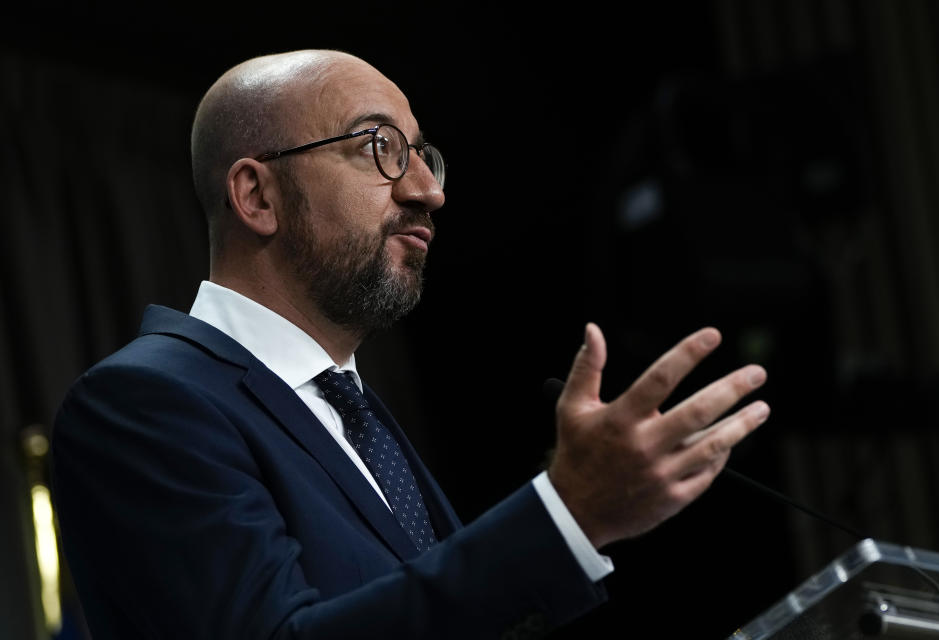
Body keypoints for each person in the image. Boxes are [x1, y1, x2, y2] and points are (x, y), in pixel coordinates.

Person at [51, 49, 770, 639]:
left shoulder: (353, 412)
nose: (428, 190)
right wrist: (566, 515)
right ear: (257, 197)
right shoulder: (146, 402)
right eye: (379, 148)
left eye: (425, 156)